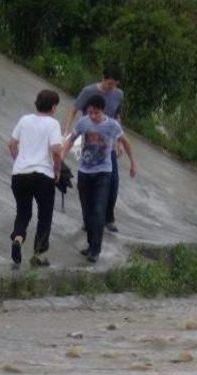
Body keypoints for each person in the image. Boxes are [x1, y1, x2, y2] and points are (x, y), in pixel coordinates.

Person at [62, 95, 137, 263]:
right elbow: (70, 141)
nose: (93, 116)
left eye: (96, 113)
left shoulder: (112, 125)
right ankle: (90, 245)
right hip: (84, 172)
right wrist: (61, 157)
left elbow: (125, 142)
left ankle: (95, 251)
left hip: (103, 172)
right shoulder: (83, 123)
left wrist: (133, 163)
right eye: (90, 113)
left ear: (102, 111)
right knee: (87, 212)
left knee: (98, 210)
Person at [63, 67, 133, 233]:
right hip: (91, 140)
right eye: (109, 84)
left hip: (108, 141)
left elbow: (117, 115)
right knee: (87, 183)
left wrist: (120, 142)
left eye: (115, 85)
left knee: (113, 180)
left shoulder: (119, 94)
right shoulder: (89, 91)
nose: (111, 88)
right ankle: (88, 218)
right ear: (103, 78)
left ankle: (108, 218)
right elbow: (74, 109)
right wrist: (66, 130)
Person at [7, 89, 62, 267]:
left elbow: (12, 144)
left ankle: (18, 238)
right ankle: (37, 254)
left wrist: (19, 161)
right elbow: (56, 151)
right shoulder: (53, 124)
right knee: (44, 215)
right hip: (42, 176)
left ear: (36, 103)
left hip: (20, 174)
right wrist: (57, 170)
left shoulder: (24, 120)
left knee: (23, 212)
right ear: (54, 107)